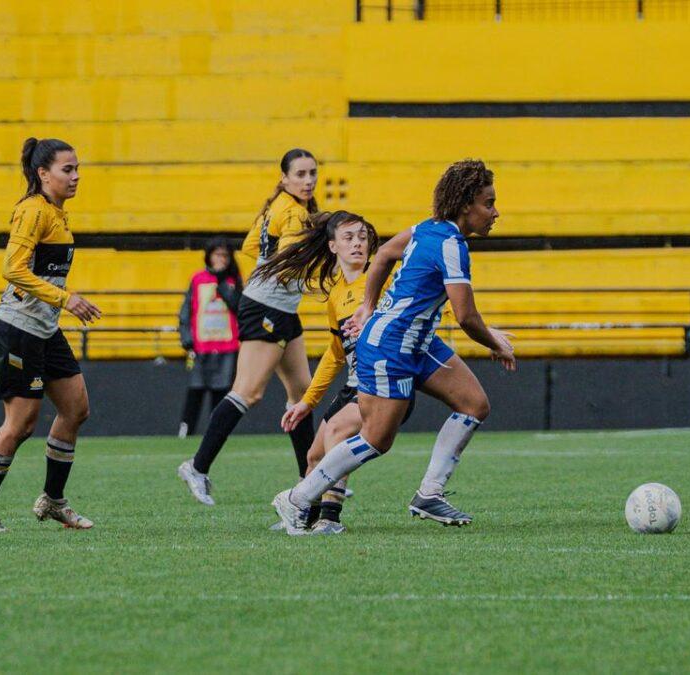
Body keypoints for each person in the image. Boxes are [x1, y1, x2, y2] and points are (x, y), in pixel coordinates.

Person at [272, 159, 515, 535]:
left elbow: (384, 254)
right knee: (375, 439)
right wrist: (495, 343)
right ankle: (297, 498)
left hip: (418, 344)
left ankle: (429, 493)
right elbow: (466, 316)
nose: (495, 212)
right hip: (391, 347)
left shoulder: (425, 229)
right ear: (466, 204)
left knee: (474, 404)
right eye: (489, 203)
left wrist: (368, 305)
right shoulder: (451, 245)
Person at [0, 137, 102, 532]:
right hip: (17, 329)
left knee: (76, 408)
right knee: (20, 424)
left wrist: (61, 301)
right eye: (67, 169)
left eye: (77, 169)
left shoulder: (57, 213)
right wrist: (66, 299)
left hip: (44, 329)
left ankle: (53, 501)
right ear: (43, 173)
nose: (75, 176)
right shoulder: (33, 211)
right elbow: (12, 268)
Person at [176, 149, 320, 505]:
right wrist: (319, 277)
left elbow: (251, 245)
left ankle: (309, 480)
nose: (308, 181)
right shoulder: (294, 213)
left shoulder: (280, 206)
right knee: (248, 392)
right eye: (300, 174)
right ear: (284, 178)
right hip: (266, 308)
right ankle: (197, 466)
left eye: (312, 173)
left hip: (280, 308)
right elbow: (288, 264)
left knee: (301, 394)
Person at [269, 210, 399, 534]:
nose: (358, 243)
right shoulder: (337, 295)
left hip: (384, 382)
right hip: (355, 384)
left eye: (362, 237)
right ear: (332, 246)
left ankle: (330, 518)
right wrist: (307, 402)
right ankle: (305, 516)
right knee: (314, 456)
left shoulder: (384, 281)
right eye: (349, 238)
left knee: (338, 433)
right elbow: (336, 353)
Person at [176, 238, 243, 438]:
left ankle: (216, 433)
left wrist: (221, 281)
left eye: (225, 255)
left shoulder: (233, 281)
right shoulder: (198, 279)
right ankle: (185, 431)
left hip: (227, 346)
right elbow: (186, 310)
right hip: (201, 346)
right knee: (195, 390)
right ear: (209, 256)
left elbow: (237, 306)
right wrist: (186, 337)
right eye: (217, 254)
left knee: (221, 393)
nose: (221, 259)